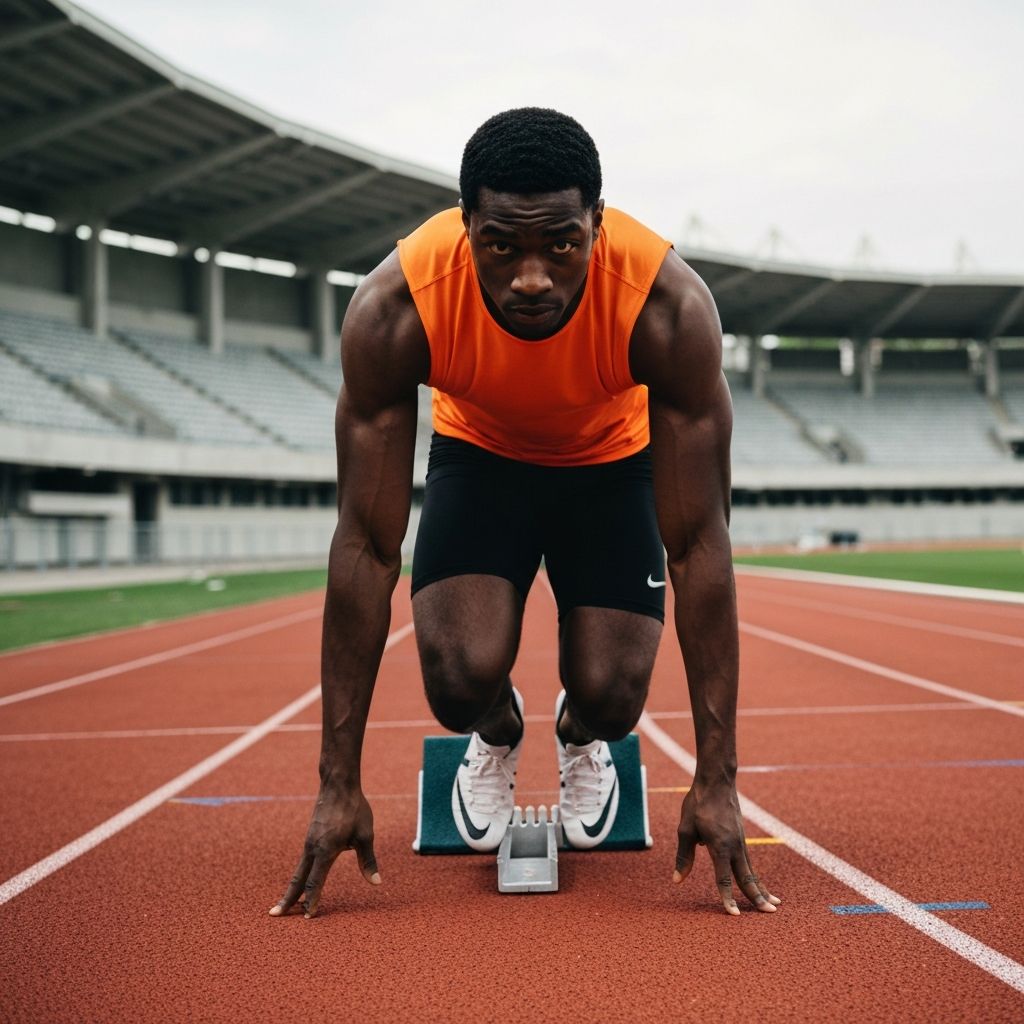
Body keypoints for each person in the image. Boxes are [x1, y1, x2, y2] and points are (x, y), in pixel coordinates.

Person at [270, 107, 780, 918]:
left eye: (562, 245)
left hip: (611, 463)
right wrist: (339, 784)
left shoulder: (667, 309)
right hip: (483, 458)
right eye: (502, 246)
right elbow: (367, 544)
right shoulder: (396, 308)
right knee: (457, 676)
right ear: (465, 225)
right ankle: (498, 734)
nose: (532, 276)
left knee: (613, 696)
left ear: (597, 228)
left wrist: (717, 779)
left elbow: (699, 543)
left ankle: (581, 742)